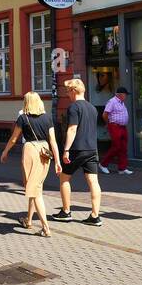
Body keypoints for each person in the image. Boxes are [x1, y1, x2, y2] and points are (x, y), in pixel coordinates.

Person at [0, 92, 60, 237]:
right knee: (35, 187)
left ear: (26, 102)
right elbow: (53, 141)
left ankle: (46, 228)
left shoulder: (23, 118)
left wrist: (5, 151)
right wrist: (57, 161)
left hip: (31, 151)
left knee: (35, 191)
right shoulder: (47, 118)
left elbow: (14, 139)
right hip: (45, 151)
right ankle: (28, 220)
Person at [52, 78, 103, 226]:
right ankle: (95, 215)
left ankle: (66, 212)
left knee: (64, 178)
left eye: (68, 91)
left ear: (74, 91)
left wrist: (66, 150)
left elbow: (72, 129)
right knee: (93, 181)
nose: (67, 94)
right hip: (92, 149)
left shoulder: (74, 108)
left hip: (76, 149)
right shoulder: (92, 108)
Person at [101, 86, 133, 176]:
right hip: (115, 126)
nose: (126, 96)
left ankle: (122, 168)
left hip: (122, 127)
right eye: (125, 94)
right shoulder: (112, 102)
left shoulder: (122, 102)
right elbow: (104, 114)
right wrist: (108, 124)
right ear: (120, 94)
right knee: (116, 147)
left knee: (123, 148)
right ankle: (103, 164)